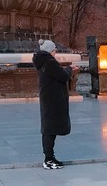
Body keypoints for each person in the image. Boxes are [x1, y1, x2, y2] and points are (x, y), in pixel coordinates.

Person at [32, 39, 77, 169]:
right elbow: (62, 76)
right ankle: (48, 159)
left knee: (49, 128)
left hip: (48, 98)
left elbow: (56, 73)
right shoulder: (49, 62)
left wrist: (66, 69)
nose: (55, 52)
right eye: (54, 50)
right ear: (50, 51)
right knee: (50, 129)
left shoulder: (43, 61)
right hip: (52, 99)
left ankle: (49, 157)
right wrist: (69, 69)